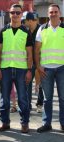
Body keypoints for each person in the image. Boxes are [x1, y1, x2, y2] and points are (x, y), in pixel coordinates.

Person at [0, 4, 33, 133]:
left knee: (22, 98)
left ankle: (25, 123)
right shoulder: (3, 31)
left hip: (21, 70)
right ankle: (5, 123)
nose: (15, 15)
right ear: (9, 14)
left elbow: (29, 53)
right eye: (13, 12)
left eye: (18, 12)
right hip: (5, 69)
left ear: (21, 14)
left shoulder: (26, 32)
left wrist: (29, 70)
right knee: (4, 99)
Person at [35, 4, 64, 133]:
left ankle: (63, 123)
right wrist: (38, 65)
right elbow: (37, 49)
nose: (53, 14)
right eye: (51, 12)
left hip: (62, 68)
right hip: (46, 69)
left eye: (55, 12)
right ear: (48, 14)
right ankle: (47, 123)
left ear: (60, 13)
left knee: (63, 98)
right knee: (47, 99)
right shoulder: (42, 28)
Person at [22, 11, 44, 113]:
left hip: (40, 62)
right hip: (28, 63)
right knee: (27, 84)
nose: (23, 22)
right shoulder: (24, 31)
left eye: (24, 20)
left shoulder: (42, 30)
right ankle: (28, 105)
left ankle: (39, 103)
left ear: (30, 21)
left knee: (40, 85)